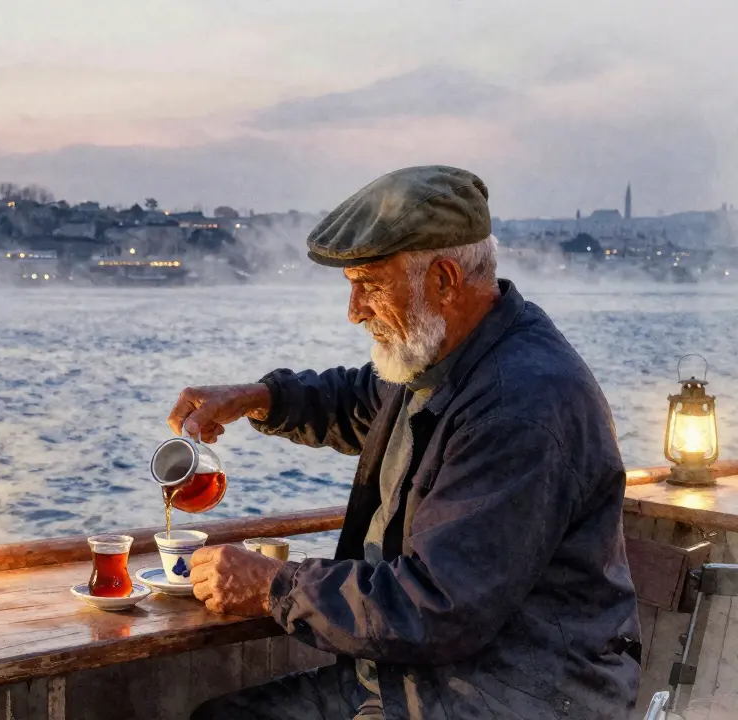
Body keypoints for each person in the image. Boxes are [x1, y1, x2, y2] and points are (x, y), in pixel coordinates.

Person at [168, 166, 640, 719]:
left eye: (368, 285)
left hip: (512, 695)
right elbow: (361, 400)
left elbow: (437, 606)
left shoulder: (524, 404)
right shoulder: (447, 357)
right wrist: (258, 398)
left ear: (443, 279)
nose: (354, 312)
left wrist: (274, 585)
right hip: (423, 680)